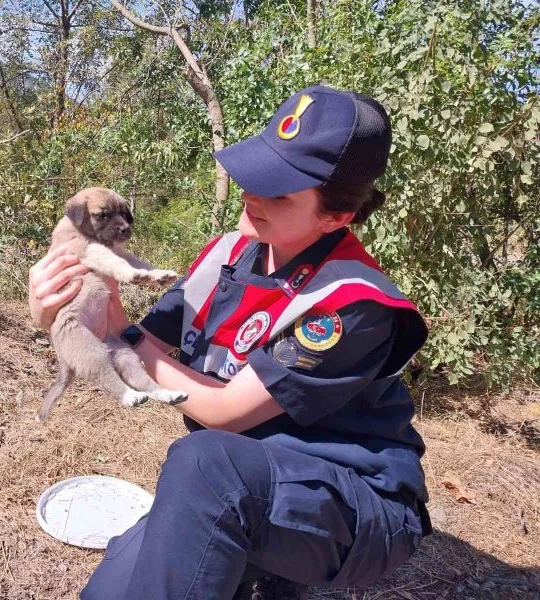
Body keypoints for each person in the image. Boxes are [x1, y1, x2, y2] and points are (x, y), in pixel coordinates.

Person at [28, 85, 432, 600]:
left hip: (353, 499)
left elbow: (222, 410)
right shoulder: (229, 256)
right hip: (242, 480)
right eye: (254, 175)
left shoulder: (350, 302)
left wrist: (122, 342)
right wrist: (66, 309)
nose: (251, 196)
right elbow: (136, 337)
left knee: (202, 461)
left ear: (337, 216)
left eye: (278, 192)